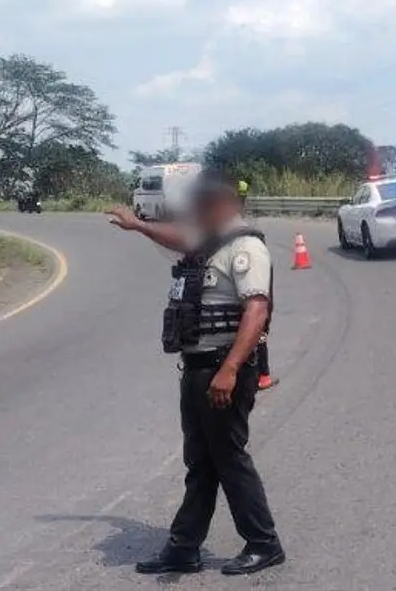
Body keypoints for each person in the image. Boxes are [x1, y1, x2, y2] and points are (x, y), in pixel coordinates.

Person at [106, 169, 285, 577]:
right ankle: (184, 547)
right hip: (198, 370)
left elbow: (256, 310)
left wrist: (230, 370)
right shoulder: (210, 242)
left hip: (224, 369)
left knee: (228, 458)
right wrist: (139, 226)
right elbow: (178, 238)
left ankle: (264, 543)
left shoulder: (245, 247)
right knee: (201, 462)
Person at [236, 180, 277, 392]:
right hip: (253, 300)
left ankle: (262, 374)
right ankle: (263, 375)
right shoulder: (254, 242)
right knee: (259, 332)